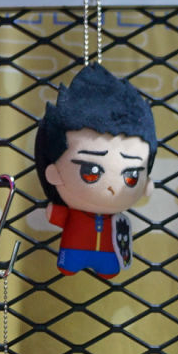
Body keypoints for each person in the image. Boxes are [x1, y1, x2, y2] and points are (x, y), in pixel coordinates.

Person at [34, 64, 158, 278]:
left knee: (109, 267)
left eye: (131, 176)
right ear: (53, 173)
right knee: (70, 263)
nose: (111, 187)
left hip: (109, 253)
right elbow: (56, 215)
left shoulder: (118, 222)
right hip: (73, 250)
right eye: (90, 171)